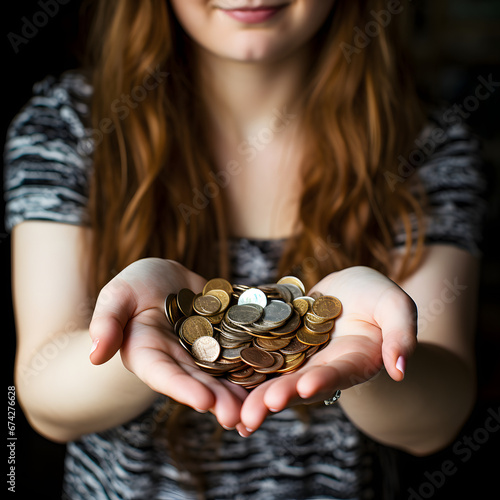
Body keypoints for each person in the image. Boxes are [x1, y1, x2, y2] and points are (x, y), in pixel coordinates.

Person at [4, 0, 487, 498]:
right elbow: (43, 404)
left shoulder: (428, 147)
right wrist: (138, 340)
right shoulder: (68, 127)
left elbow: (436, 423)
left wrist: (372, 348)